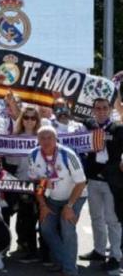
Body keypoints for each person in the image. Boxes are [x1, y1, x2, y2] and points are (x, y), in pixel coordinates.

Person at [29, 126, 87, 276]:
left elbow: (81, 183)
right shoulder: (33, 155)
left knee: (67, 230)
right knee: (46, 228)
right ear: (38, 140)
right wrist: (42, 205)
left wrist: (69, 206)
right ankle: (63, 260)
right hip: (52, 198)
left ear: (56, 139)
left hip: (75, 196)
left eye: (50, 138)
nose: (46, 141)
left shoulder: (68, 155)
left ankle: (70, 270)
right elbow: (38, 184)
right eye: (42, 138)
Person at [78, 97, 122, 273]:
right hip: (93, 180)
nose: (101, 111)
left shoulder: (118, 128)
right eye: (98, 108)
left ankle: (115, 256)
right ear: (93, 110)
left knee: (112, 220)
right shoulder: (88, 125)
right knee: (96, 217)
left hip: (112, 181)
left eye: (105, 108)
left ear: (110, 109)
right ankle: (99, 250)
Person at [8, 106, 44, 264]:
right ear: (21, 119)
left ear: (37, 121)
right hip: (21, 182)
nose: (29, 121)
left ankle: (35, 250)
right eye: (26, 117)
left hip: (40, 183)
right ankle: (24, 244)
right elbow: (10, 163)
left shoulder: (44, 137)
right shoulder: (14, 138)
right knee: (23, 217)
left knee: (37, 217)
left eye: (33, 118)